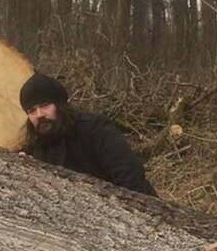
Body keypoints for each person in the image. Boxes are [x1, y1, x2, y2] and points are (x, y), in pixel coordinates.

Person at [19, 72, 158, 197]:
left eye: (44, 105)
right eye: (32, 111)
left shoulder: (95, 128)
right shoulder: (38, 146)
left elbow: (130, 176)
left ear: (60, 104)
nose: (39, 115)